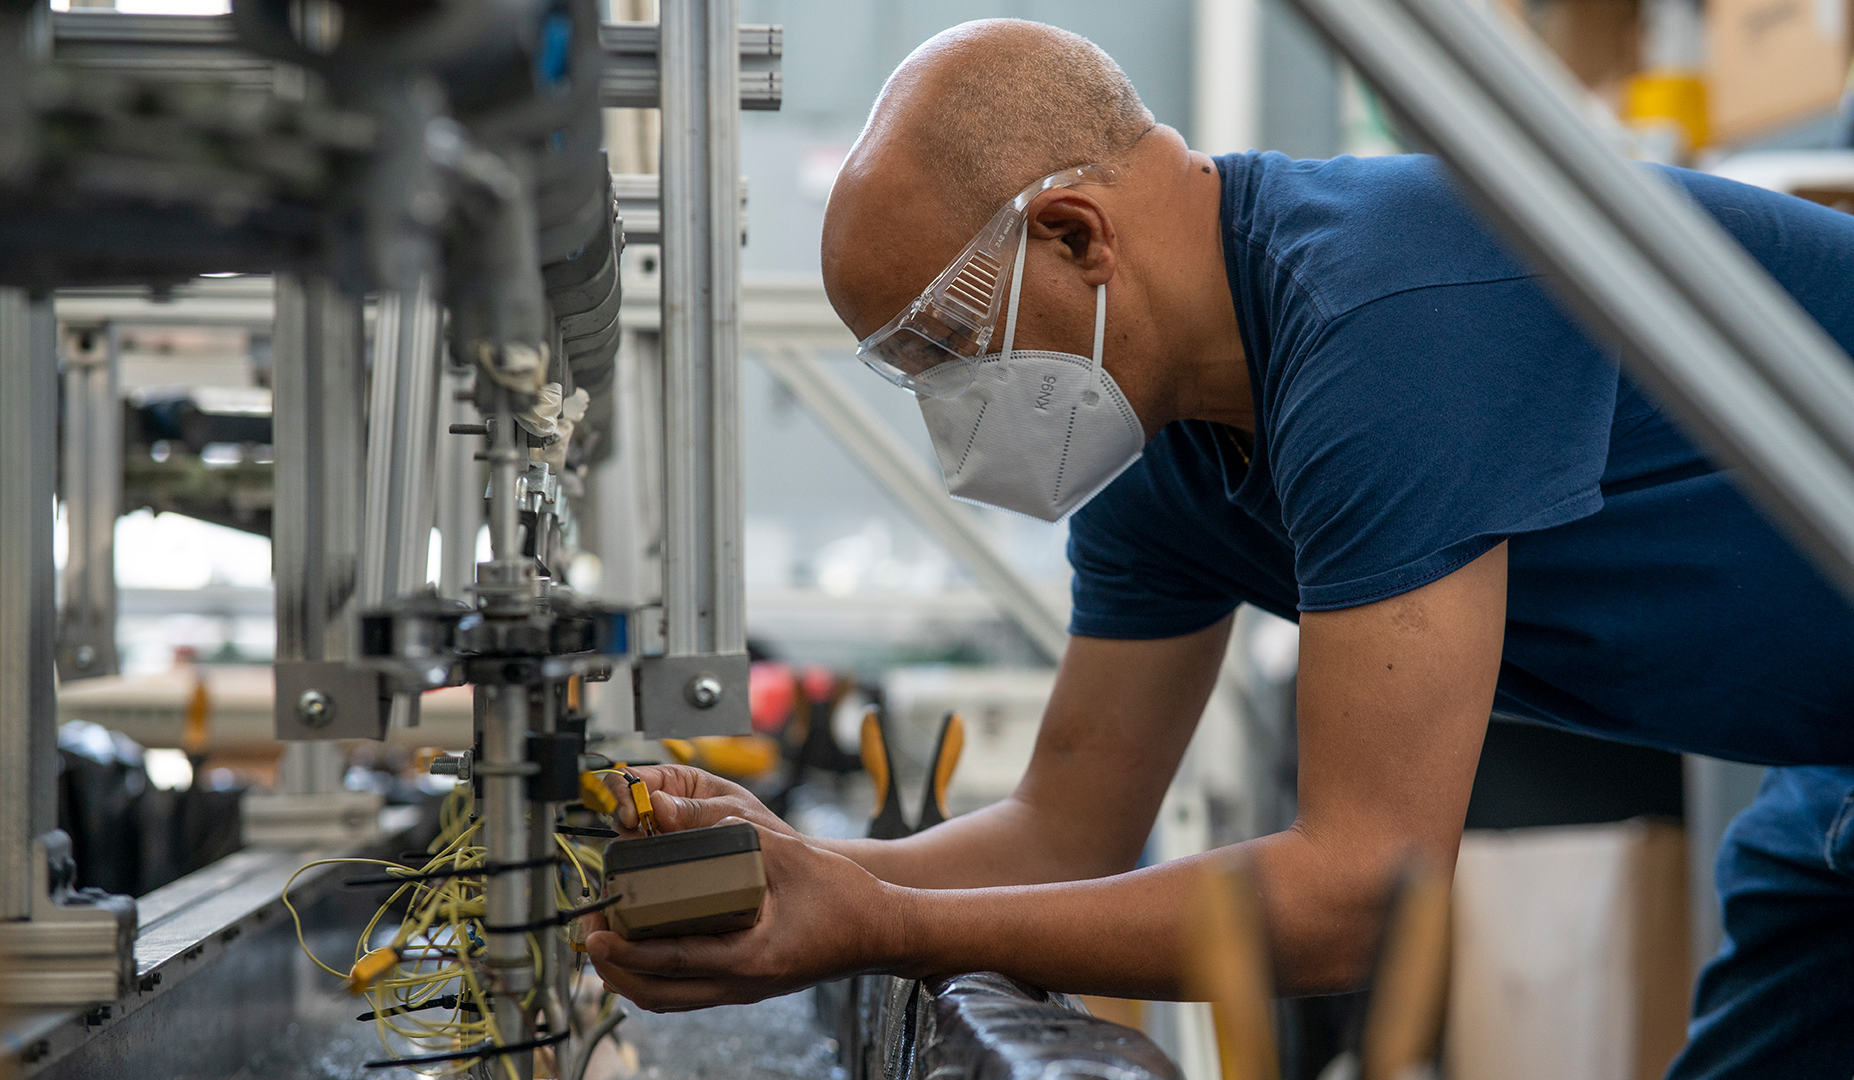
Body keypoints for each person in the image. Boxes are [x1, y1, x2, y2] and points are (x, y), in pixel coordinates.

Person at [583, 19, 1854, 1078]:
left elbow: (1363, 895)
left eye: (946, 345)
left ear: (1078, 236)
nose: (950, 405)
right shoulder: (1168, 453)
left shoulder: (1383, 313)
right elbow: (1062, 830)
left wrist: (878, 923)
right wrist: (795, 872)